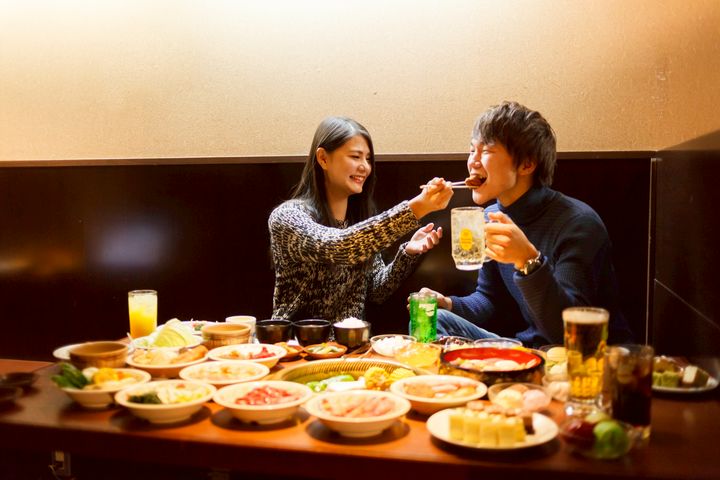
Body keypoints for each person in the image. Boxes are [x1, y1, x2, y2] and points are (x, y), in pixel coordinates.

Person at [420, 101, 633, 347]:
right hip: (526, 348)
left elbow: (569, 334)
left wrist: (528, 261)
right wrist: (447, 303)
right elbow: (489, 300)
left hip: (586, 355)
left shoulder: (578, 224)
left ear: (527, 164)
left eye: (486, 151)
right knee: (435, 319)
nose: (473, 162)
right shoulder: (491, 217)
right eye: (471, 150)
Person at [269, 116, 454, 323]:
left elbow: (377, 291)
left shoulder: (360, 222)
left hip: (352, 340)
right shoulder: (287, 216)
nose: (365, 167)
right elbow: (340, 247)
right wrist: (417, 207)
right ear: (323, 158)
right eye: (355, 157)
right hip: (294, 340)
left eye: (367, 159)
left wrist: (408, 253)